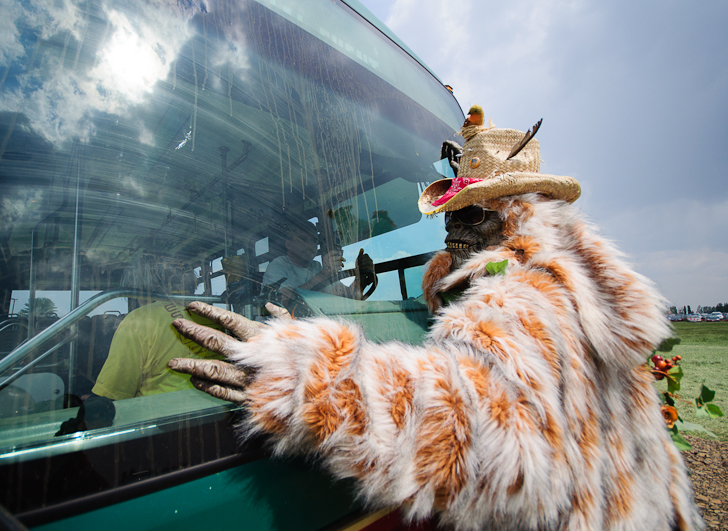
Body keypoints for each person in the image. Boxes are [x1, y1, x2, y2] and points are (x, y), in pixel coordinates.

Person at [168, 124, 703, 530]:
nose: (451, 231)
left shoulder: (531, 292)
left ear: (515, 217)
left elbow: (483, 435)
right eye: (448, 215)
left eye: (470, 215)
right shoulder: (567, 288)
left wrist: (311, 379)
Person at [91, 256, 221, 401]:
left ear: (139, 287)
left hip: (163, 412)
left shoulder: (139, 321)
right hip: (216, 407)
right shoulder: (211, 318)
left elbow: (112, 393)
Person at [262, 220, 375, 304]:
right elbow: (282, 302)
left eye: (314, 241)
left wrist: (360, 276)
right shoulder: (278, 265)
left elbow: (343, 296)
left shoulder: (316, 267)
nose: (310, 245)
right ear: (288, 244)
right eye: (303, 239)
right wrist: (323, 274)